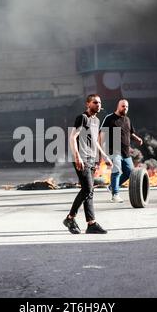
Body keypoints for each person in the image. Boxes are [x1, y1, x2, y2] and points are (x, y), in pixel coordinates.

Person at [63, 94, 113, 234]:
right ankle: (70, 218)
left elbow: (95, 141)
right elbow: (72, 137)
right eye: (94, 102)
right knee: (87, 189)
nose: (98, 104)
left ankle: (91, 224)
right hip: (82, 158)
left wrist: (103, 156)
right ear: (88, 104)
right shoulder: (82, 118)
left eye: (99, 102)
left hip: (91, 159)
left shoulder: (96, 120)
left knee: (89, 192)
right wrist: (77, 155)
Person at [99, 99, 143, 203]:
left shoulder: (127, 119)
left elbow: (130, 133)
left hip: (126, 152)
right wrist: (101, 150)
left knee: (130, 173)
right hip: (113, 150)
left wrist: (137, 139)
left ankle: (112, 187)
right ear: (118, 106)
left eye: (126, 107)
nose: (125, 108)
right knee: (116, 171)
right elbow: (102, 134)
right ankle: (115, 195)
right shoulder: (109, 118)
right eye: (123, 106)